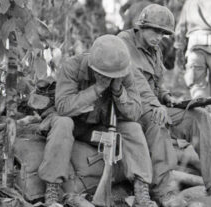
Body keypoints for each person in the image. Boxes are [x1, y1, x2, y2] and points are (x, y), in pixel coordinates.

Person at [118, 4, 211, 202]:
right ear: (141, 26)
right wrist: (156, 105)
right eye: (156, 30)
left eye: (163, 33)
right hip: (130, 108)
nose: (159, 36)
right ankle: (163, 190)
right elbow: (134, 80)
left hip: (153, 105)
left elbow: (157, 83)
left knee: (200, 116)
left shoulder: (154, 49)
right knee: (158, 120)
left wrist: (166, 97)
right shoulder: (123, 42)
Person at [38, 35, 158, 207]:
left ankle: (141, 192)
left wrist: (118, 92)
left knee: (133, 128)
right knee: (63, 122)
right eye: (104, 74)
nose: (109, 77)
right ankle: (52, 191)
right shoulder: (72, 66)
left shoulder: (125, 71)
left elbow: (135, 113)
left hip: (101, 127)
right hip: (72, 124)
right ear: (93, 67)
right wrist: (97, 88)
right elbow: (63, 107)